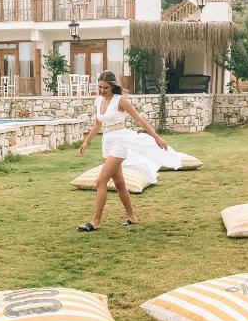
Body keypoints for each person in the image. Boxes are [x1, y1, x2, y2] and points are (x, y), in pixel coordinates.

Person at [77, 71, 181, 231]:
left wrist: (156, 137)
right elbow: (97, 124)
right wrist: (86, 142)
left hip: (121, 141)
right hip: (108, 141)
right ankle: (132, 216)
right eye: (99, 87)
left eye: (105, 87)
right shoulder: (98, 101)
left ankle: (95, 222)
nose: (102, 90)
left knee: (101, 181)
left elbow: (139, 119)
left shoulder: (120, 101)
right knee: (119, 183)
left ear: (113, 86)